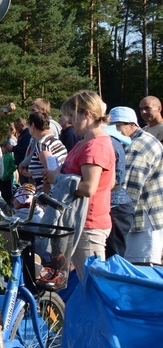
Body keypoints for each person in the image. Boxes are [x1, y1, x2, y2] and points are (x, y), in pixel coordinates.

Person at [45, 91, 114, 279]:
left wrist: (57, 179)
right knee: (84, 286)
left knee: (93, 287)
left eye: (71, 115)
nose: (68, 121)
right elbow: (112, 182)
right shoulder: (85, 143)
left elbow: (89, 187)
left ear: (87, 114)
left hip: (88, 225)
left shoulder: (95, 146)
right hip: (79, 223)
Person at [109, 106, 163, 265]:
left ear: (132, 125)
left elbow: (128, 188)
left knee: (142, 271)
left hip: (143, 219)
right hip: (134, 217)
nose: (113, 130)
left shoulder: (139, 147)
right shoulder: (126, 141)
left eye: (117, 126)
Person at [102, 123, 135, 258]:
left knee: (114, 259)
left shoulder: (108, 143)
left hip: (116, 206)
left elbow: (110, 180)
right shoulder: (111, 141)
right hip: (116, 204)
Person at [24, 111, 67, 191]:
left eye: (28, 125)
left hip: (50, 195)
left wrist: (42, 198)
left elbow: (50, 174)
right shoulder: (54, 140)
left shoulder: (42, 145)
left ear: (32, 125)